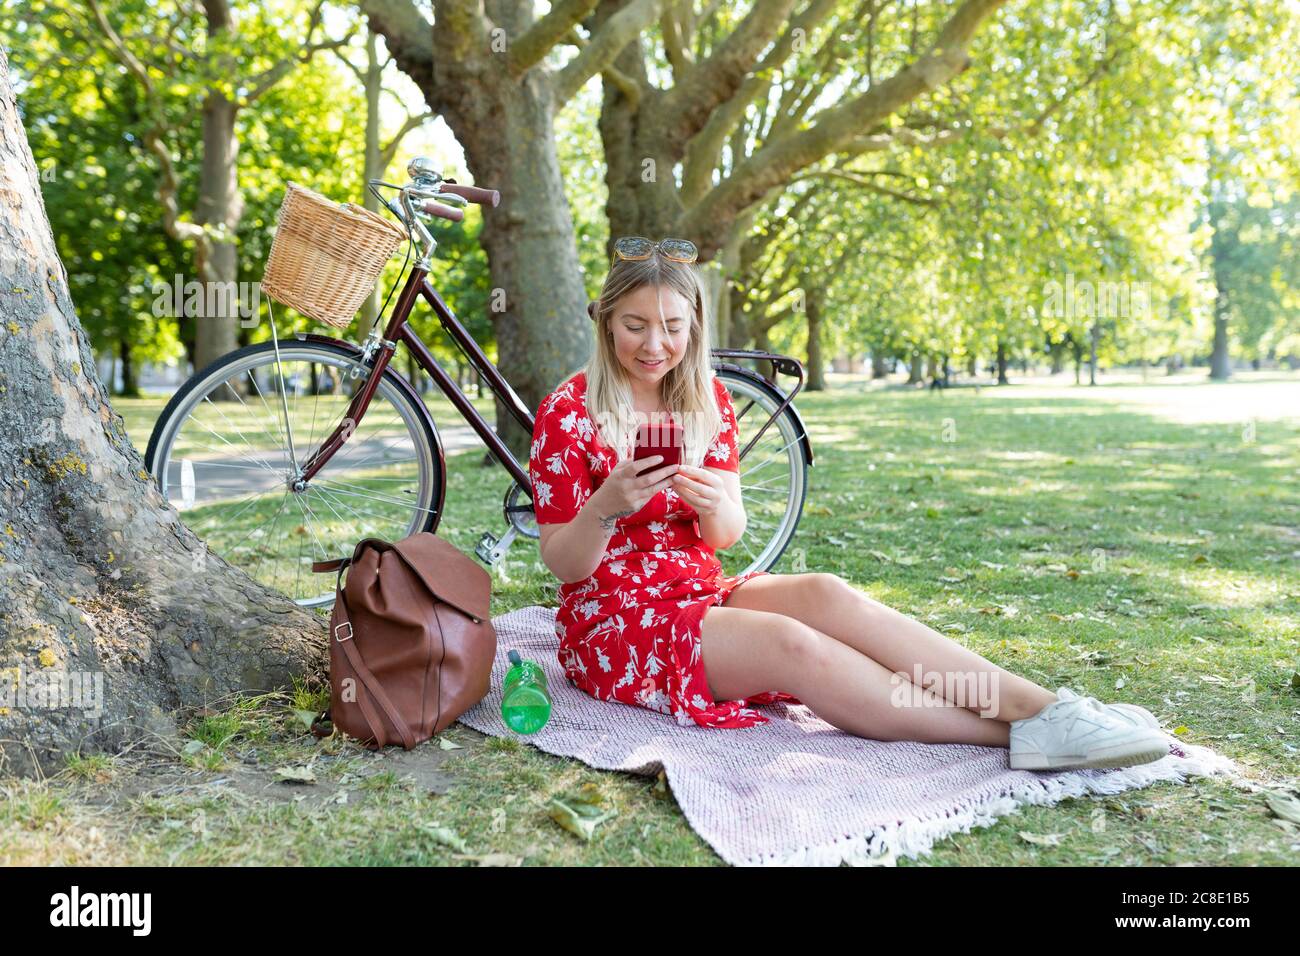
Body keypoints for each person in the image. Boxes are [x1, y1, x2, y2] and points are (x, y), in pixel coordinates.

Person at [528, 236, 1174, 771]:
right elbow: (564, 564)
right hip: (613, 623)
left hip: (700, 591)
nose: (654, 345)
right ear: (605, 320)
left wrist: (710, 502)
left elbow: (724, 536)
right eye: (635, 325)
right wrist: (606, 507)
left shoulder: (706, 400)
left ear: (694, 326)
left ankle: (1048, 711)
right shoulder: (568, 410)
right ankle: (1016, 738)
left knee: (827, 594)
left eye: (672, 326)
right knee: (791, 643)